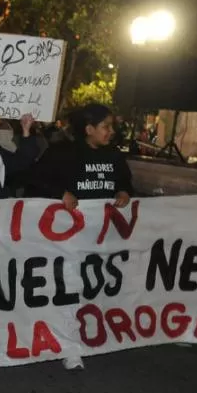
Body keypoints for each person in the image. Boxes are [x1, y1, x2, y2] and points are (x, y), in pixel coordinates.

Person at [29, 103, 132, 371]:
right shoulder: (63, 153)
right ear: (89, 130)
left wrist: (123, 191)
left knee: (91, 287)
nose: (111, 132)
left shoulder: (115, 157)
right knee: (69, 290)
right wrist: (60, 193)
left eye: (111, 126)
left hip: (101, 238)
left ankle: (88, 335)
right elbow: (34, 179)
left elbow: (125, 182)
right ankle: (69, 346)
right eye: (106, 127)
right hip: (66, 238)